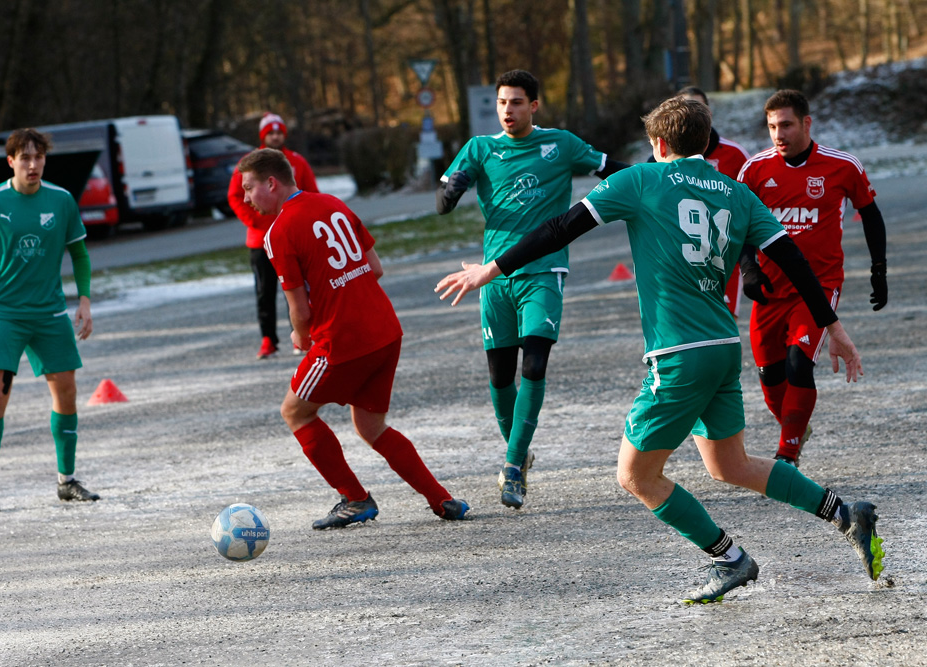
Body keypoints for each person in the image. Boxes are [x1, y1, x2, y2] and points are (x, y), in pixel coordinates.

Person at [435, 97, 884, 604]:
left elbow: (559, 228)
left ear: (659, 143)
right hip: (720, 346)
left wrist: (491, 268)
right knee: (729, 465)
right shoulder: (737, 193)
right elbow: (795, 261)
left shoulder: (642, 181)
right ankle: (846, 514)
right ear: (703, 139)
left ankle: (730, 559)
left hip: (679, 354)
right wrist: (836, 327)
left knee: (634, 474)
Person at [237, 148, 469, 529]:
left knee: (294, 412)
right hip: (385, 331)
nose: (246, 198)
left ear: (271, 183)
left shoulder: (278, 232)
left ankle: (355, 498)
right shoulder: (332, 203)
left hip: (343, 339)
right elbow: (374, 267)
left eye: (249, 188)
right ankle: (443, 501)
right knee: (371, 427)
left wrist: (300, 336)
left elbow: (299, 308)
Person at [435, 69, 628, 509]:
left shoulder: (560, 144)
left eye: (517, 102)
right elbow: (441, 205)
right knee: (500, 378)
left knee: (534, 367)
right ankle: (519, 455)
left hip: (544, 269)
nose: (508, 110)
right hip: (493, 275)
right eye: (503, 102)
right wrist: (453, 191)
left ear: (534, 106)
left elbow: (611, 171)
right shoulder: (480, 149)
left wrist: (656, 178)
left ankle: (512, 467)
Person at [0, 128, 100, 514]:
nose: (33, 165)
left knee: (67, 392)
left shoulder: (61, 200)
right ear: (11, 161)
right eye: (25, 158)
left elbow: (79, 254)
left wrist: (83, 300)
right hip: (6, 315)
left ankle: (66, 481)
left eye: (38, 158)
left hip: (49, 313)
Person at [737, 89, 888, 465]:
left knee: (798, 364)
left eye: (786, 124)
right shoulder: (754, 170)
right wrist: (749, 269)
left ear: (806, 123)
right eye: (772, 126)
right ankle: (794, 428)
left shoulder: (842, 166)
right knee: (769, 376)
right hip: (770, 288)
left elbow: (870, 213)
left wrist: (879, 270)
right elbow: (736, 225)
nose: (778, 134)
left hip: (819, 286)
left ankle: (787, 456)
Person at [649, 86, 752, 318]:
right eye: (685, 109)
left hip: (722, 258)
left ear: (709, 114)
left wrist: (749, 263)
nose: (691, 114)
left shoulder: (735, 154)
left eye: (698, 108)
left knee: (723, 321)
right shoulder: (658, 158)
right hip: (679, 261)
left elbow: (752, 210)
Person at [228, 113, 319, 359]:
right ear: (263, 136)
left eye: (279, 132)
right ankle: (268, 339)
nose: (275, 136)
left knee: (298, 289)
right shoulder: (248, 165)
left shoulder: (296, 162)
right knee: (264, 292)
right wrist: (256, 221)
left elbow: (311, 193)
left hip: (293, 239)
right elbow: (236, 197)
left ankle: (301, 335)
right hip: (261, 241)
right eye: (270, 132)